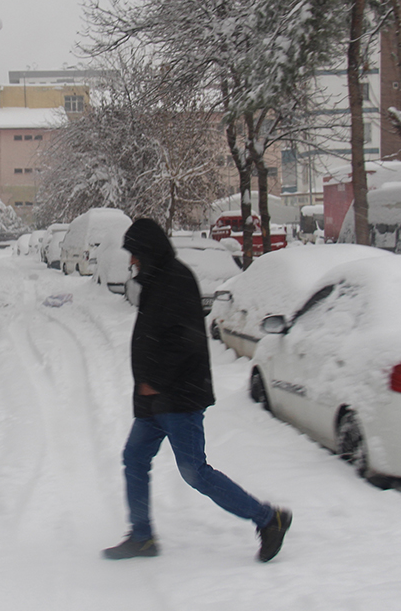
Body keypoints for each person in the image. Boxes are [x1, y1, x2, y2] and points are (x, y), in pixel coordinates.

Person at [102, 218, 291, 562]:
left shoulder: (176, 280)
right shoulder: (156, 279)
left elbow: (185, 342)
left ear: (148, 251)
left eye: (135, 254)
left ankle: (268, 519)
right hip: (155, 400)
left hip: (178, 397)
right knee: (135, 458)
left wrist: (155, 381)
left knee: (195, 472)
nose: (131, 261)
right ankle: (142, 536)